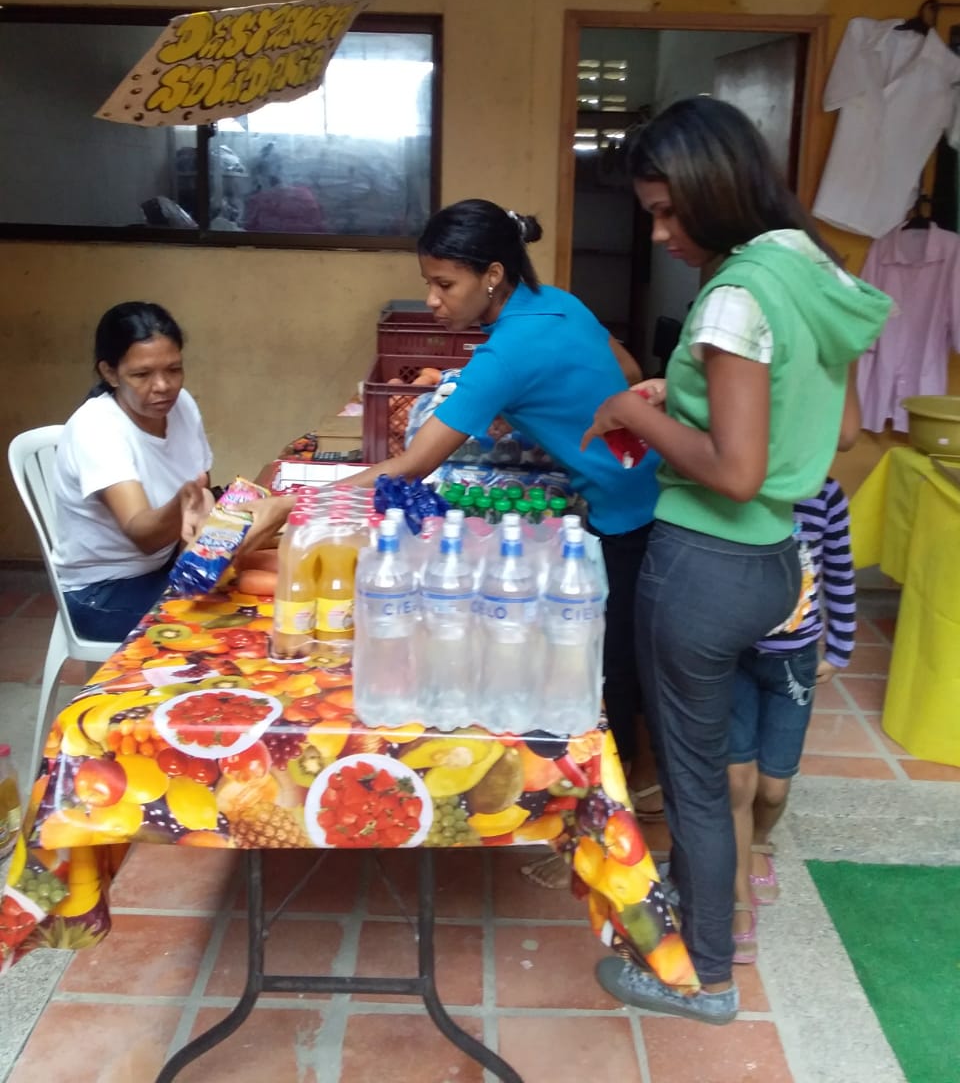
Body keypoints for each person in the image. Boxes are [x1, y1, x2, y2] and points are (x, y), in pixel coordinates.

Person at [581, 98, 890, 1023]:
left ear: (716, 189)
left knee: (696, 784)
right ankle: (698, 920)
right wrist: (681, 401)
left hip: (702, 567)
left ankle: (706, 975)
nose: (661, 234)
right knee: (710, 768)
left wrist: (632, 413)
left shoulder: (735, 295)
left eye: (669, 211)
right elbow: (837, 429)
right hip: (774, 563)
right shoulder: (807, 269)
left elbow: (735, 470)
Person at [247, 198, 662, 838]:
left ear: (492, 275)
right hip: (648, 481)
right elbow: (628, 371)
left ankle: (619, 812)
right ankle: (633, 787)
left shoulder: (506, 356)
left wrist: (292, 505)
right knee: (626, 649)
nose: (433, 301)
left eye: (444, 284)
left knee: (613, 666)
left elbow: (411, 465)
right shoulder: (559, 303)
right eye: (428, 284)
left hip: (623, 512)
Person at [729, 475, 855, 963]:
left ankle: (760, 841)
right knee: (736, 783)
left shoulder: (826, 494)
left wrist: (840, 647)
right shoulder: (736, 482)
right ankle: (739, 902)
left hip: (794, 659)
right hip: (732, 654)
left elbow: (839, 570)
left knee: (773, 788)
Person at [53, 302, 213, 644]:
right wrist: (182, 504)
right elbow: (144, 535)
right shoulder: (96, 427)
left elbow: (198, 504)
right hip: (102, 593)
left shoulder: (182, 405)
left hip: (162, 567)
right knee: (225, 619)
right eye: (142, 375)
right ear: (110, 373)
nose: (163, 386)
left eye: (174, 369)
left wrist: (190, 558)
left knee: (247, 589)